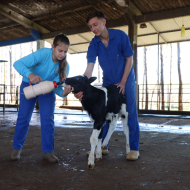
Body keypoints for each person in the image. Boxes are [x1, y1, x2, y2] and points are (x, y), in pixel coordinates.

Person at [74, 10, 140, 160]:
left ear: (104, 22)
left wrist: (123, 81)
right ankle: (102, 146)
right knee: (103, 113)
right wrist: (82, 85)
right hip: (109, 80)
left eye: (95, 25)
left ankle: (134, 149)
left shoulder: (120, 36)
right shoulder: (94, 43)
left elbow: (129, 59)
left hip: (126, 78)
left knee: (129, 112)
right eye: (90, 27)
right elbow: (89, 68)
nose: (93, 29)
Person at [11, 34, 73, 163]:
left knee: (47, 119)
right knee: (23, 117)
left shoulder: (65, 67)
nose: (62, 54)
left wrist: (65, 93)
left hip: (47, 89)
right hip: (29, 85)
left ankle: (48, 151)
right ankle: (16, 149)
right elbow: (18, 63)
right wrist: (30, 75)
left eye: (65, 51)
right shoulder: (43, 54)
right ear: (53, 47)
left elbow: (58, 89)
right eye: (60, 50)